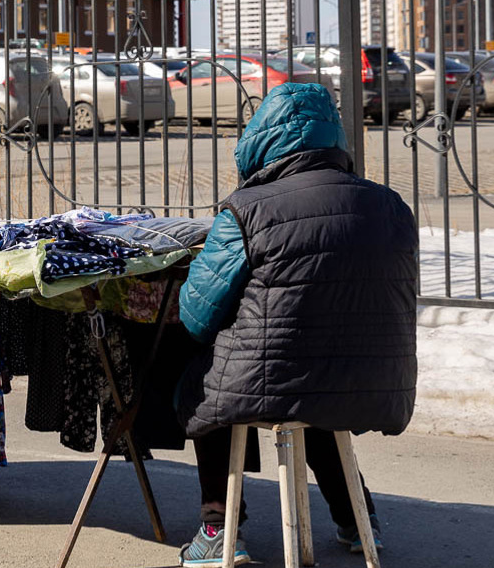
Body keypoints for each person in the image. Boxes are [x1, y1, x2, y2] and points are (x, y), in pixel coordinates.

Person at [174, 82, 418, 566]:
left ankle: (218, 530)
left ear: (263, 138)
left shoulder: (246, 210)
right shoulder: (391, 206)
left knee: (204, 380)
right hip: (378, 383)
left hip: (277, 382)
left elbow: (195, 316)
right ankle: (356, 519)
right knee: (312, 385)